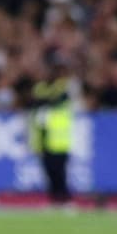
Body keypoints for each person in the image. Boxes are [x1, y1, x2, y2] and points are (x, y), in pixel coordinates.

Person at [30, 74, 75, 207]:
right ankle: (54, 200)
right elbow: (38, 130)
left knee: (60, 174)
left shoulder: (61, 102)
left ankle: (65, 200)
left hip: (60, 146)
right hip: (46, 146)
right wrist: (37, 147)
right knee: (49, 175)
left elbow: (62, 97)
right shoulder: (41, 111)